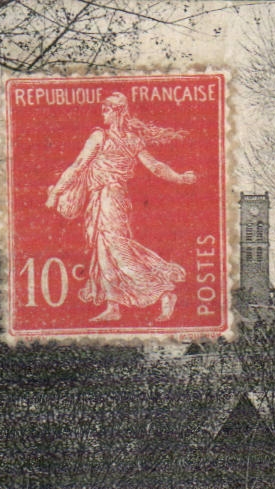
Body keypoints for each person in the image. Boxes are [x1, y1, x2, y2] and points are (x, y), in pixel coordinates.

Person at [46, 91, 197, 323]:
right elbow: (155, 166)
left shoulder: (101, 137)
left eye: (107, 110)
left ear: (118, 112)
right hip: (106, 198)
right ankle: (113, 305)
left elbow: (77, 166)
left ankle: (164, 291)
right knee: (104, 250)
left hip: (110, 197)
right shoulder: (130, 140)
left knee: (116, 249)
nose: (103, 114)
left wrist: (55, 193)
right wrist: (180, 177)